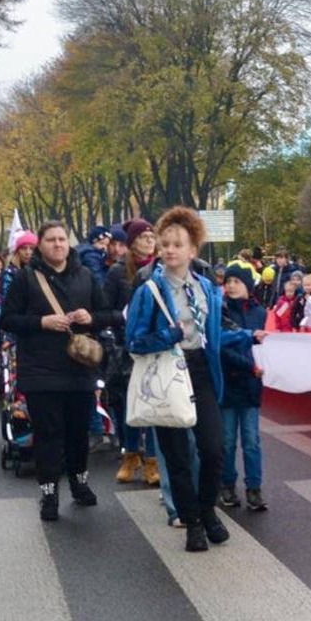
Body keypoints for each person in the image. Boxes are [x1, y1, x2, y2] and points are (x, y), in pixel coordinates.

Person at [126, 207, 242, 552]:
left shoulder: (207, 287)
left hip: (201, 371)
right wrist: (169, 335)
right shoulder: (149, 290)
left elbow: (215, 335)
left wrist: (250, 336)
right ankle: (191, 521)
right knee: (177, 455)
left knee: (213, 448)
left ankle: (207, 510)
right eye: (165, 244)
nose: (170, 250)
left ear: (193, 250)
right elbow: (133, 340)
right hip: (166, 374)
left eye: (178, 244)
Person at [0, 221, 122, 521]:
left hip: (78, 369)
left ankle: (80, 483)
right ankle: (49, 493)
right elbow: (7, 320)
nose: (57, 244)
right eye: (51, 240)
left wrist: (89, 317)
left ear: (69, 243)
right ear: (40, 245)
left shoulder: (86, 275)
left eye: (62, 239)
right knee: (48, 435)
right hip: (40, 371)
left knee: (78, 433)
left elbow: (110, 315)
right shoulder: (26, 278)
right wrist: (42, 322)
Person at [103, 218, 161, 486]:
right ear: (132, 241)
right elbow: (104, 311)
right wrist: (125, 316)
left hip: (155, 345)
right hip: (126, 348)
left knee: (152, 404)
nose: (150, 240)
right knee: (130, 405)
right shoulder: (117, 272)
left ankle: (152, 460)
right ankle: (130, 455)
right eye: (144, 236)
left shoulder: (159, 268)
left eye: (152, 235)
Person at [218, 267, 270, 511]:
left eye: (237, 281)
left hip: (250, 386)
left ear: (248, 285)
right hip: (229, 383)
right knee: (227, 440)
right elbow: (222, 347)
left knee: (251, 440)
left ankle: (254, 488)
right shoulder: (221, 311)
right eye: (228, 281)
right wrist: (250, 366)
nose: (231, 286)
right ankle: (227, 484)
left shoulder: (259, 312)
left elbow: (264, 345)